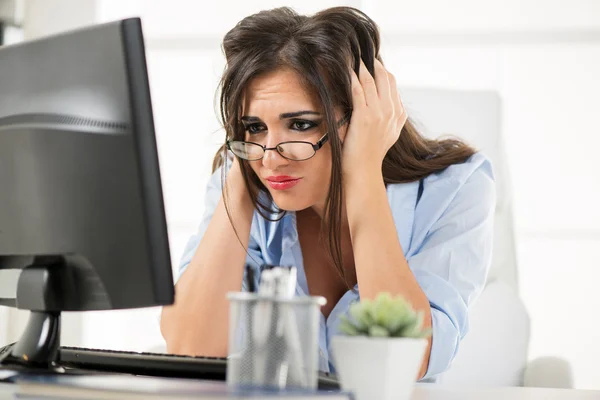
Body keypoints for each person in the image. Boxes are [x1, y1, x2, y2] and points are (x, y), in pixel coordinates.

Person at [160, 6, 495, 381]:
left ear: (363, 116)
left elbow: (406, 360)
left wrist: (363, 170)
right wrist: (242, 175)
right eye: (254, 125)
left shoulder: (456, 188)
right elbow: (190, 349)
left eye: (300, 124)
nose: (272, 155)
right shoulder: (245, 169)